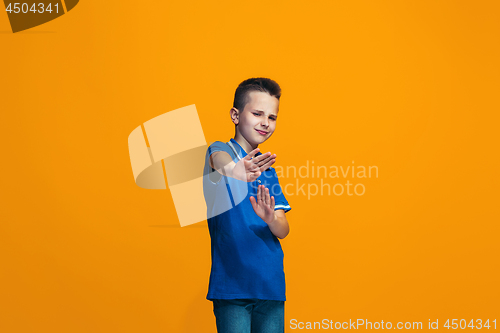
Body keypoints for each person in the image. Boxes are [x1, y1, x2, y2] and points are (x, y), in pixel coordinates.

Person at [203, 77, 291, 333]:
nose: (265, 122)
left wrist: (271, 218)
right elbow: (217, 159)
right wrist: (234, 171)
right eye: (257, 113)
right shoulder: (221, 152)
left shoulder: (268, 171)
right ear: (235, 115)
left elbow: (283, 229)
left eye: (272, 117)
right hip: (232, 286)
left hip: (271, 285)